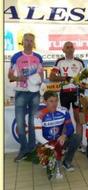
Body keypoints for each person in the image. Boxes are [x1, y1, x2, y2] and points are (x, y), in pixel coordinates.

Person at [8, 33, 44, 162]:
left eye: (31, 41)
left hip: (35, 93)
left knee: (33, 122)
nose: (29, 43)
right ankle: (23, 149)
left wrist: (40, 83)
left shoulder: (38, 57)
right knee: (20, 122)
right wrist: (19, 78)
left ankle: (32, 148)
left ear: (34, 43)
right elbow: (10, 76)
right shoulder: (16, 57)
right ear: (22, 41)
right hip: (21, 92)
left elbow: (41, 75)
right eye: (26, 40)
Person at [49, 41, 86, 152]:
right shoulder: (60, 61)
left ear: (74, 49)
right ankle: (64, 144)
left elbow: (85, 79)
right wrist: (66, 78)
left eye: (71, 47)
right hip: (64, 92)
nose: (70, 49)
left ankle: (79, 143)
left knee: (79, 118)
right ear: (63, 50)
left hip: (77, 92)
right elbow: (51, 77)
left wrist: (82, 90)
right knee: (64, 119)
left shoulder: (79, 62)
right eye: (67, 47)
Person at [35, 91, 81, 171]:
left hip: (59, 141)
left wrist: (64, 135)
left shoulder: (63, 111)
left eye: (56, 101)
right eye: (51, 101)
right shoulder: (38, 114)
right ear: (45, 101)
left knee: (77, 137)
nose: (54, 104)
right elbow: (38, 136)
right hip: (44, 143)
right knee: (48, 166)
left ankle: (67, 162)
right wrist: (51, 147)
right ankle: (51, 157)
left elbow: (71, 128)